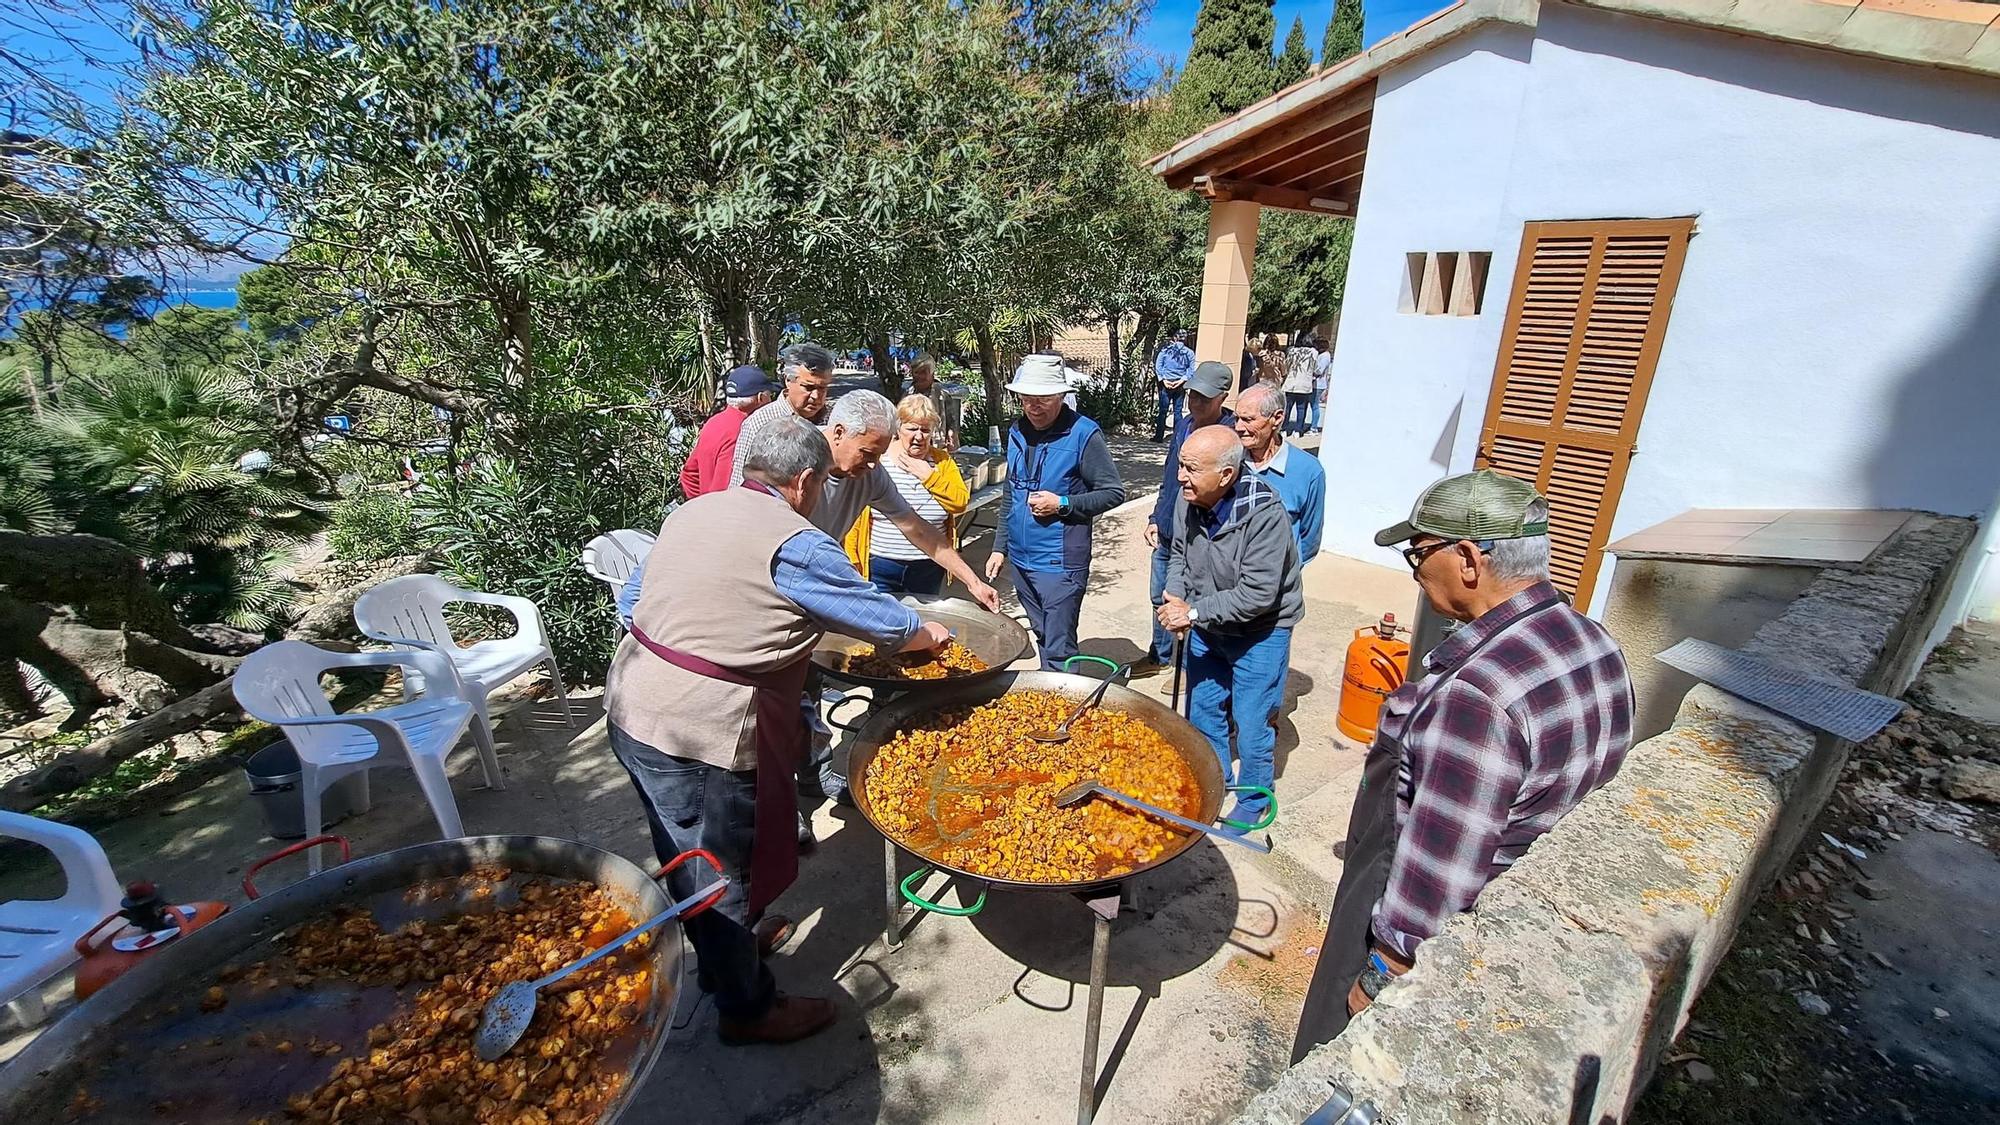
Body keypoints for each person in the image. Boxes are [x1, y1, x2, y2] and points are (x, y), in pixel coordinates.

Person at [605, 411, 953, 1045]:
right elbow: (878, 619)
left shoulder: (693, 512)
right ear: (804, 480)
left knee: (683, 854)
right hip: (697, 731)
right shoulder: (797, 541)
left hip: (631, 707)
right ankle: (746, 1008)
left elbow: (631, 602)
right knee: (716, 868)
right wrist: (927, 634)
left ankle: (726, 953)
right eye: (820, 484)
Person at [1290, 471, 1634, 1059]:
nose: (1416, 571)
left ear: (1469, 560)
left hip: (1437, 936)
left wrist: (1379, 980)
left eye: (1419, 554)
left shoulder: (1476, 698)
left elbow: (1437, 871)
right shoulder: (1592, 639)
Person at [1159, 426, 1303, 831]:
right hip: (1208, 623)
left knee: (1253, 719)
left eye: (1191, 469)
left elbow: (1257, 594)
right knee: (1203, 707)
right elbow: (1178, 555)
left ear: (1225, 476)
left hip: (1260, 632)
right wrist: (1175, 596)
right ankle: (1216, 779)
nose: (1181, 476)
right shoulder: (1189, 499)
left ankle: (1254, 797)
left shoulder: (1265, 515)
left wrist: (1193, 613)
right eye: (1181, 466)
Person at [984, 355, 1126, 669]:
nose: (1034, 406)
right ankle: (1050, 697)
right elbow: (1012, 492)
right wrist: (999, 548)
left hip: (1059, 562)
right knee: (1042, 636)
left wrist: (1062, 504)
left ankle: (1065, 709)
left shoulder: (1084, 434)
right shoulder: (1018, 430)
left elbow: (1113, 492)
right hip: (1021, 559)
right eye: (1027, 398)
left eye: (1043, 399)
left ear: (1061, 396)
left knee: (1060, 647)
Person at [1141, 360, 1236, 675]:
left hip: (1197, 538)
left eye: (1203, 398)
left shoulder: (1229, 436)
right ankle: (1159, 656)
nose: (1194, 403)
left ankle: (1186, 669)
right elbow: (1170, 477)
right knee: (1160, 596)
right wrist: (1157, 516)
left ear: (1223, 396)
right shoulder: (1183, 426)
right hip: (1168, 530)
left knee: (1189, 603)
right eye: (1191, 395)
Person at [844, 393, 969, 595]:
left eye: (925, 430)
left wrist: (928, 475)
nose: (919, 436)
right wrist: (853, 560)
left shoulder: (942, 462)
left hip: (930, 563)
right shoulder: (879, 460)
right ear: (898, 428)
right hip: (881, 563)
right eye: (912, 428)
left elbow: (960, 503)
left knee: (922, 622)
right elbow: (855, 516)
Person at [1234, 385, 1326, 563]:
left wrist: (1282, 574)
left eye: (1248, 419)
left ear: (1277, 418)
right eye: (1236, 418)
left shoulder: (1308, 471)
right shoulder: (1228, 458)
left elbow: (1310, 538)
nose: (1238, 427)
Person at [680, 364, 778, 499]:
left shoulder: (713, 422)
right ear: (761, 398)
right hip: (724, 514)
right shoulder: (744, 431)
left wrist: (701, 506)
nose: (771, 401)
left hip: (710, 513)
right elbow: (726, 488)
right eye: (770, 395)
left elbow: (689, 475)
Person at [1152, 329, 1194, 443]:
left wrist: (1164, 380)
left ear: (1175, 338)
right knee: (1178, 411)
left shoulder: (1165, 351)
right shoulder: (1189, 353)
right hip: (1180, 385)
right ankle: (1177, 436)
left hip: (1166, 384)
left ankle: (1159, 436)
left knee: (1163, 411)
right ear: (1185, 339)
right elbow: (1190, 371)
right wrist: (1181, 381)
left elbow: (1158, 366)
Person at [1282, 336, 1317, 436]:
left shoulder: (1293, 351)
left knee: (1287, 408)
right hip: (1304, 384)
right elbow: (1315, 367)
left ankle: (1284, 429)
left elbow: (1287, 365)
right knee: (1301, 408)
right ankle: (1297, 430)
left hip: (1291, 382)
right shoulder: (1313, 352)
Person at [1311, 337, 1332, 435]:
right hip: (1315, 383)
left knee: (1315, 406)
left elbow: (1319, 370)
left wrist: (1311, 372)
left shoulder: (1325, 356)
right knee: (1312, 405)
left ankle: (1314, 427)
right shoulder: (1321, 355)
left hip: (1319, 384)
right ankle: (1312, 425)